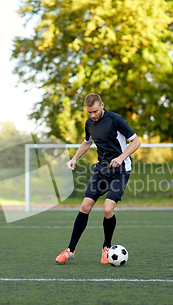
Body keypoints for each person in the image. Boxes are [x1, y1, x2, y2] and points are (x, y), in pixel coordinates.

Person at [55, 93, 141, 264]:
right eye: (89, 112)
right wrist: (74, 159)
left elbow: (136, 142)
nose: (92, 115)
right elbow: (87, 142)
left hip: (121, 170)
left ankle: (106, 248)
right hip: (101, 170)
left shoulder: (116, 120)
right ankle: (70, 250)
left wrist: (121, 157)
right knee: (85, 206)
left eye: (95, 111)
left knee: (107, 210)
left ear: (102, 105)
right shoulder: (89, 124)